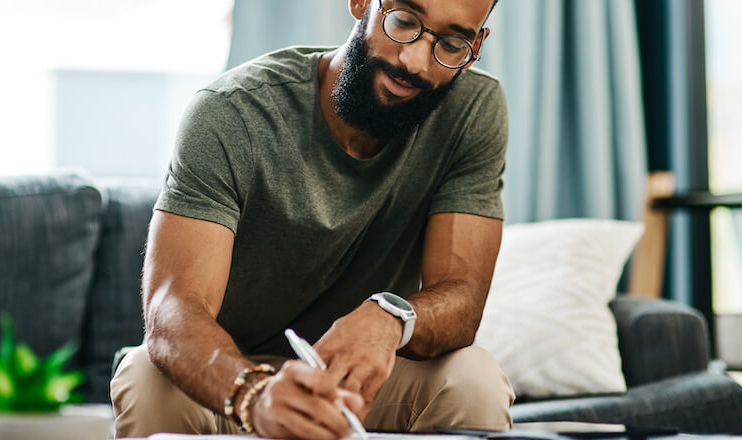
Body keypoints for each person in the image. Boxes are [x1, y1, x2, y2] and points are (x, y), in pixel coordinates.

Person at [111, 0, 514, 438]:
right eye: (403, 21)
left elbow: (463, 298)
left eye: (453, 44)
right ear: (362, 2)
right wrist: (254, 394)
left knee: (474, 377)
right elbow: (173, 308)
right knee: (146, 377)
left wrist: (390, 317)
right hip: (232, 374)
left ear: (477, 45)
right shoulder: (232, 112)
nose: (414, 61)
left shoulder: (474, 109)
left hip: (358, 383)